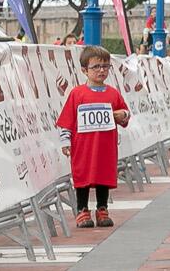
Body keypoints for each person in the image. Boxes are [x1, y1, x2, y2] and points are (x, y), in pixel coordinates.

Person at [55, 45, 131, 229]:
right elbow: (67, 120)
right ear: (84, 70)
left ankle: (102, 208)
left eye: (105, 66)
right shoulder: (77, 94)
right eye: (96, 67)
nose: (101, 70)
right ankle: (82, 210)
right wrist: (65, 141)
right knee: (83, 176)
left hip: (106, 144)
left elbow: (125, 114)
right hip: (83, 145)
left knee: (103, 175)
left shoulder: (113, 93)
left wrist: (123, 115)